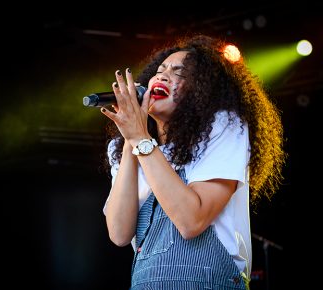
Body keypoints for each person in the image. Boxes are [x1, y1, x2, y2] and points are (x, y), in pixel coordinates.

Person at [100, 34, 286, 289]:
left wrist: (141, 139)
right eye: (160, 70)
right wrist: (131, 140)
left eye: (179, 73)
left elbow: (191, 221)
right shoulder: (128, 147)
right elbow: (119, 233)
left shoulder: (224, 127)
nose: (162, 76)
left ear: (203, 90)